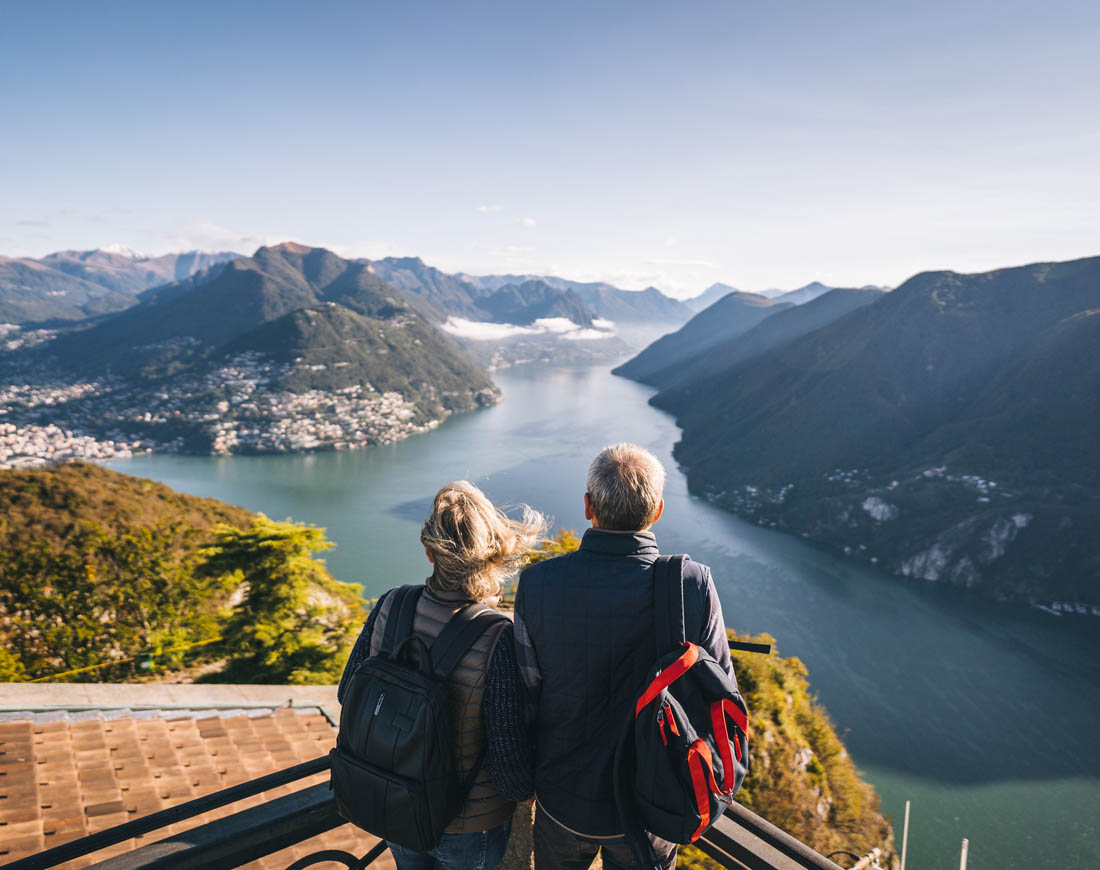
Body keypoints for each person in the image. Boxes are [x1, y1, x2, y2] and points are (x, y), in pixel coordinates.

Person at [514, 443, 733, 870]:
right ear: (657, 512)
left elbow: (527, 691)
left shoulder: (538, 584)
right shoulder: (691, 584)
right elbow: (719, 691)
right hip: (651, 805)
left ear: (588, 506)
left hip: (563, 799)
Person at [338, 481, 544, 870]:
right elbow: (506, 757)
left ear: (430, 553)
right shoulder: (499, 636)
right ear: (493, 554)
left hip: (395, 801)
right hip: (470, 824)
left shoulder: (391, 604)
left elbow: (349, 692)